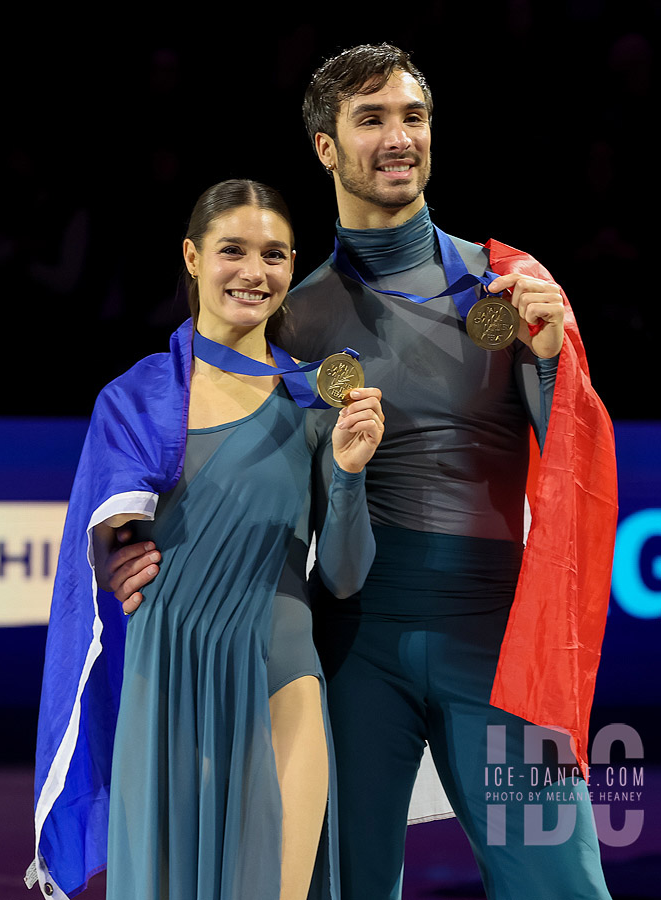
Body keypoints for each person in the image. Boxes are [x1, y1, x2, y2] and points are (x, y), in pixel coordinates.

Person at [99, 45, 618, 900]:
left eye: (412, 117)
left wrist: (558, 360)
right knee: (341, 886)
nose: (398, 137)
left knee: (562, 884)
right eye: (370, 119)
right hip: (350, 646)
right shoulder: (289, 319)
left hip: (494, 640)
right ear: (325, 147)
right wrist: (130, 544)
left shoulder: (506, 288)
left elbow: (573, 456)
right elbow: (195, 437)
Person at [29, 179, 385, 900]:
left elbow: (344, 577)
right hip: (167, 688)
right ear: (192, 257)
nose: (254, 272)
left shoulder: (316, 400)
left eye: (274, 254)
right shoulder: (133, 401)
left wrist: (347, 475)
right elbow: (93, 558)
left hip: (283, 677)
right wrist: (108, 562)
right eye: (232, 250)